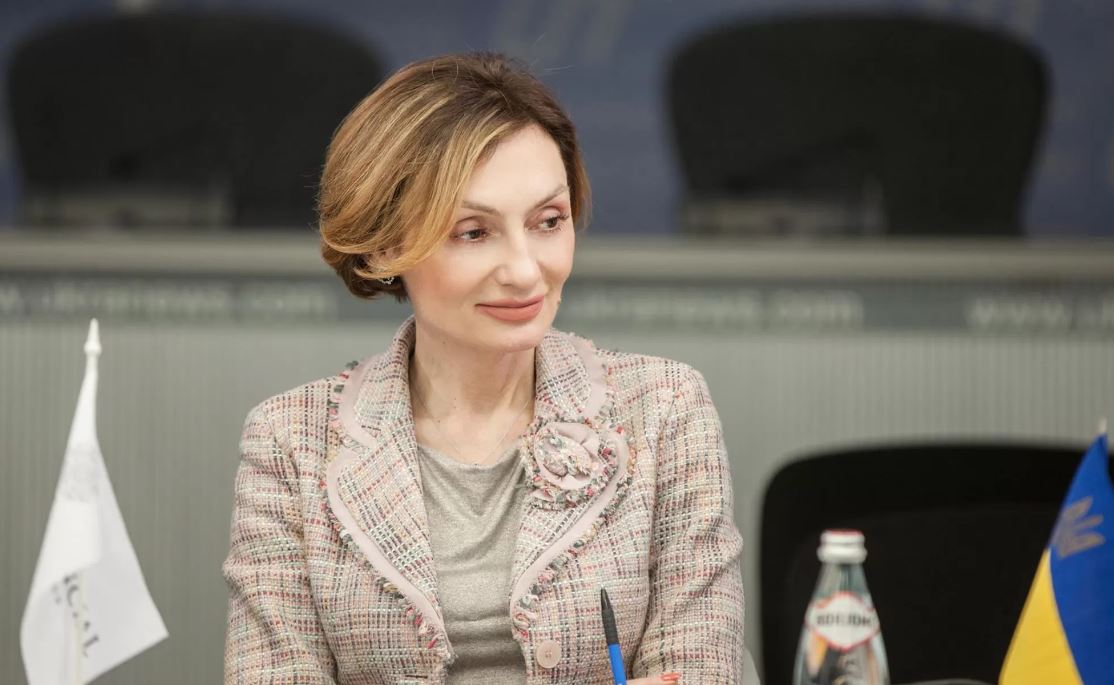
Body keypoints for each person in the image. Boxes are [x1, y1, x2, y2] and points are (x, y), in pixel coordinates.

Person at [223, 51, 746, 684]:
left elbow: (700, 668)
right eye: (474, 232)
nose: (526, 270)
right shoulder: (292, 439)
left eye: (548, 222)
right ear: (387, 245)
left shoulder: (663, 408)